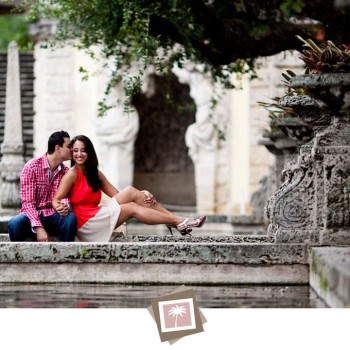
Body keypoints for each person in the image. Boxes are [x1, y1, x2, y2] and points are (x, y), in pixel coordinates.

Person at [52, 135, 206, 242]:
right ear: (71, 153)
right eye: (76, 151)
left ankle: (176, 221)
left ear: (89, 152)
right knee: (131, 208)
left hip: (97, 214)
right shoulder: (71, 175)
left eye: (83, 150)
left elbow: (120, 196)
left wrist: (142, 193)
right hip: (85, 223)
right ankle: (179, 221)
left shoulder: (96, 175)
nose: (79, 154)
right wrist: (59, 206)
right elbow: (56, 199)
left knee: (132, 192)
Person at [8, 131, 77, 242]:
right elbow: (28, 203)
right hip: (32, 217)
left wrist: (64, 206)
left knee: (70, 218)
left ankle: (66, 256)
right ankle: (20, 258)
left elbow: (66, 197)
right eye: (69, 146)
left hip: (54, 217)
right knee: (14, 223)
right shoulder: (31, 167)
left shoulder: (67, 172)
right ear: (58, 148)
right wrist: (39, 228)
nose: (72, 150)